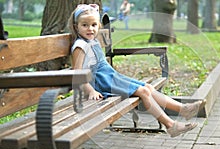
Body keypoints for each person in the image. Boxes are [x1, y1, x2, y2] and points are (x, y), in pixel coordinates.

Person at [68, 4, 206, 138]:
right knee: (144, 92)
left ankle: (184, 109)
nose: (90, 29)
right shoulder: (80, 46)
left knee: (148, 87)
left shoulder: (92, 41)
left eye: (93, 25)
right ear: (76, 27)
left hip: (110, 77)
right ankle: (171, 125)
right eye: (84, 25)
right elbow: (77, 74)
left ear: (98, 25)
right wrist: (91, 91)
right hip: (101, 83)